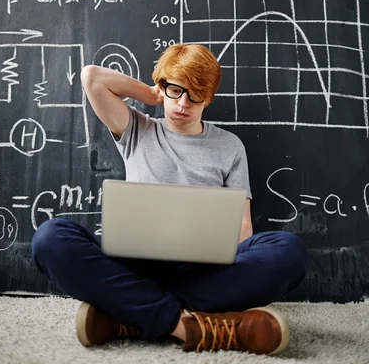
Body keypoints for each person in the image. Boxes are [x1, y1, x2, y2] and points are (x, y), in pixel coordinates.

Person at [31, 43, 308, 355]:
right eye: (176, 90)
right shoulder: (138, 127)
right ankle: (187, 324)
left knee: (290, 252)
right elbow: (92, 77)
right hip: (133, 265)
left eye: (195, 95)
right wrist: (153, 93)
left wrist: (233, 262)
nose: (183, 103)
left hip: (203, 273)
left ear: (209, 97)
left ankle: (126, 315)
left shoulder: (230, 146)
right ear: (163, 87)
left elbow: (243, 225)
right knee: (49, 239)